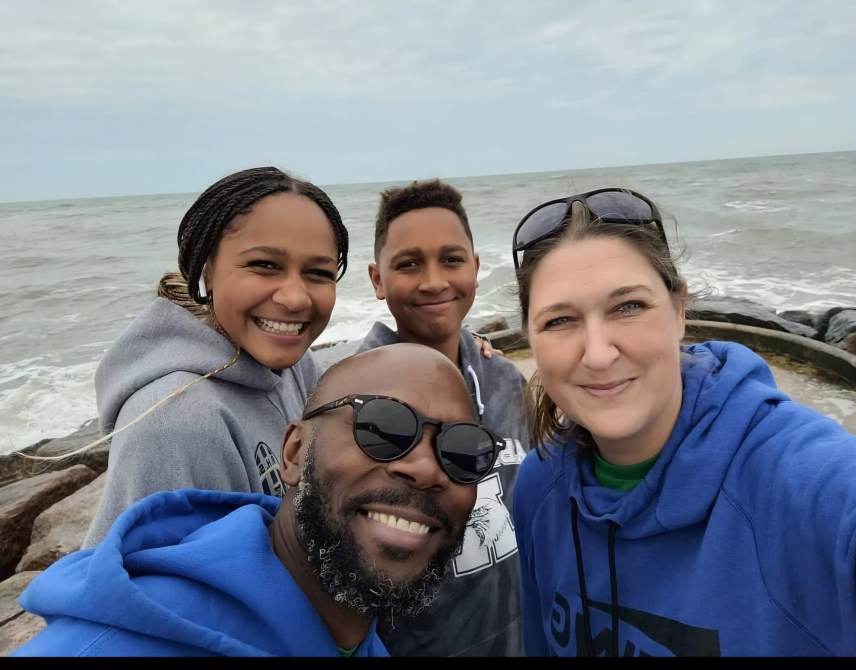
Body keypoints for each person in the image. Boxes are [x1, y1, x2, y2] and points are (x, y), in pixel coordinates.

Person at [510, 187, 856, 657]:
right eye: (559, 320)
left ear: (679, 309)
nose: (598, 354)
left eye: (628, 307)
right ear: (530, 336)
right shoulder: (538, 486)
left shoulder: (802, 482)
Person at [11, 343, 504, 657]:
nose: (426, 469)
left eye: (463, 450)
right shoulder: (108, 646)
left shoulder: (351, 629)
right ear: (293, 453)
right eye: (383, 428)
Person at [72, 166, 350, 548]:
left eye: (318, 272)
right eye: (264, 265)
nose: (295, 298)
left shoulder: (295, 367)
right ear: (206, 270)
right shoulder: (176, 423)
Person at [356, 178, 530, 656]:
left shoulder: (504, 380)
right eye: (408, 264)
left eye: (451, 260)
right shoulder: (357, 401)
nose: (434, 281)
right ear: (377, 279)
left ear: (475, 266)